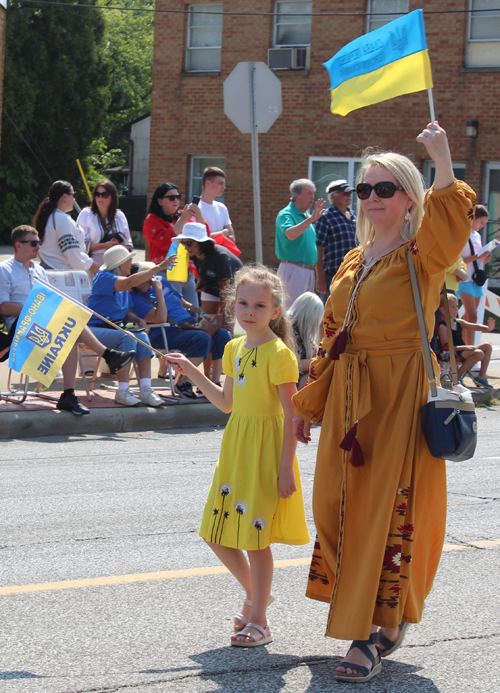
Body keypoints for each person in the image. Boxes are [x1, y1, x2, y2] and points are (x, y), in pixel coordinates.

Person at [292, 121, 475, 683]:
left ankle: (374, 632)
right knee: (333, 506)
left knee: (383, 510)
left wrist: (441, 158)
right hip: (348, 392)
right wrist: (310, 400)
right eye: (364, 189)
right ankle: (366, 617)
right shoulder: (354, 259)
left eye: (384, 189)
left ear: (408, 198)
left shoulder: (424, 255)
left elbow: (451, 221)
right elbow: (331, 331)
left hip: (398, 394)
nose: (371, 199)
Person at [166, 265, 310, 647]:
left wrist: (285, 469)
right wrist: (190, 370)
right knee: (215, 532)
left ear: (275, 311)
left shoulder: (279, 354)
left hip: (266, 452)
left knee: (256, 540)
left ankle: (259, 619)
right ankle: (258, 595)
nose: (250, 311)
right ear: (233, 306)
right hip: (236, 449)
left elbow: (291, 415)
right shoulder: (232, 347)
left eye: (259, 305)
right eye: (243, 303)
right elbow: (226, 403)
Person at [0, 226, 132, 415]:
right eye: (34, 243)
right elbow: (3, 307)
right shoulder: (4, 270)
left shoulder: (39, 270)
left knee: (71, 327)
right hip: (20, 327)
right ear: (18, 245)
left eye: (40, 243)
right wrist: (37, 310)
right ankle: (107, 355)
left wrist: (49, 309)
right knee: (69, 320)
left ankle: (68, 395)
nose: (39, 247)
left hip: (43, 322)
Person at [86, 245, 175, 406]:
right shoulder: (103, 276)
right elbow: (129, 282)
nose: (131, 264)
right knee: (128, 337)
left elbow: (124, 310)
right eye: (129, 260)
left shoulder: (123, 284)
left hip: (114, 327)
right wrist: (159, 267)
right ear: (121, 264)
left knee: (141, 335)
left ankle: (146, 390)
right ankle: (122, 391)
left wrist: (138, 320)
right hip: (93, 331)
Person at [129, 261, 232, 395]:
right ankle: (183, 381)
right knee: (202, 338)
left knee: (222, 334)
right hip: (164, 332)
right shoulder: (135, 298)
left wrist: (203, 315)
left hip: (188, 326)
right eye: (146, 275)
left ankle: (213, 382)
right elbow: (159, 318)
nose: (150, 277)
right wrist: (158, 291)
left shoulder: (161, 280)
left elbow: (183, 303)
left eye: (150, 274)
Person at [143, 182, 202, 305]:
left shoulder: (181, 216)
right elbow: (166, 242)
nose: (175, 200)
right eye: (171, 198)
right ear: (160, 201)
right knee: (175, 312)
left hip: (186, 271)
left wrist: (199, 216)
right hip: (166, 271)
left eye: (177, 197)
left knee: (193, 312)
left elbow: (201, 235)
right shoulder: (152, 220)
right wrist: (182, 220)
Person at [172, 222, 242, 316]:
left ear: (201, 243)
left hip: (232, 290)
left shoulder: (220, 256)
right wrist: (201, 281)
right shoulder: (195, 254)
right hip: (213, 287)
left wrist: (223, 315)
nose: (185, 247)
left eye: (188, 244)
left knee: (225, 323)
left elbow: (225, 289)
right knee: (208, 320)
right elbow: (201, 269)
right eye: (183, 243)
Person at [275, 179, 325, 309]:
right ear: (296, 196)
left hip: (308, 271)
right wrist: (310, 220)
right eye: (309, 193)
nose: (312, 197)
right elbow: (290, 234)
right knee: (289, 311)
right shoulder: (286, 214)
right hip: (293, 269)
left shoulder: (306, 216)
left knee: (305, 313)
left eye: (313, 193)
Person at [438, 292, 495, 388]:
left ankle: (481, 376)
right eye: (452, 307)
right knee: (479, 353)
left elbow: (473, 326)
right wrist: (466, 347)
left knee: (487, 346)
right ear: (443, 310)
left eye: (457, 306)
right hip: (450, 353)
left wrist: (487, 328)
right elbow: (447, 348)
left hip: (463, 350)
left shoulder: (458, 322)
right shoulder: (443, 327)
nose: (456, 309)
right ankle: (457, 376)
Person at [456, 204, 494, 345]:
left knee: (470, 317)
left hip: (476, 280)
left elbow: (477, 257)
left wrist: (485, 258)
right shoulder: (462, 234)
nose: (482, 226)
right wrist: (478, 256)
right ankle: (471, 350)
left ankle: (467, 348)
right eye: (481, 222)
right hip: (464, 280)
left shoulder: (476, 236)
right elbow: (458, 260)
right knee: (471, 317)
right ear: (473, 219)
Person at [315, 179, 357, 303]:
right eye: (345, 193)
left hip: (353, 273)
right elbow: (317, 247)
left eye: (350, 193)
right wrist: (320, 277)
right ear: (333, 196)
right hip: (333, 275)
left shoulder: (354, 215)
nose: (349, 196)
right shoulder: (326, 217)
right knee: (329, 310)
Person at [77, 179, 134, 269]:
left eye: (105, 195)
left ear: (113, 197)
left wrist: (118, 246)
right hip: (94, 264)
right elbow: (79, 244)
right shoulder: (86, 214)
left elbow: (129, 244)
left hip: (117, 263)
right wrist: (105, 246)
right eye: (97, 194)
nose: (100, 198)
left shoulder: (119, 215)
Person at [287, 292, 324, 389]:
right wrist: (320, 360)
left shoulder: (304, 333)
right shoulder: (291, 332)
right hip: (292, 383)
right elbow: (295, 364)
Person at [199, 166, 235, 241]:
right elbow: (199, 239)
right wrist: (223, 233)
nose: (224, 187)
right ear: (208, 183)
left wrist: (212, 235)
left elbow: (232, 239)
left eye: (224, 184)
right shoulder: (194, 208)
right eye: (220, 183)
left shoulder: (222, 207)